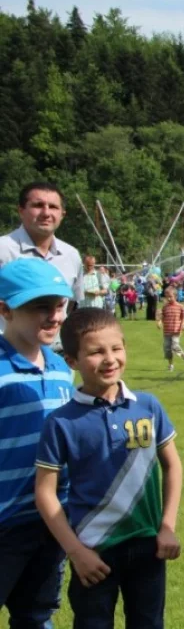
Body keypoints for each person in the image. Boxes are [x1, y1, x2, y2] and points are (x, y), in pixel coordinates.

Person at [34, 308, 183, 629]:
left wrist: (167, 526)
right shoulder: (61, 422)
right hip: (93, 551)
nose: (109, 359)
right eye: (96, 351)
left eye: (116, 348)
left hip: (148, 548)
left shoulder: (148, 406)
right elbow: (45, 493)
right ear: (71, 361)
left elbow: (172, 466)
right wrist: (75, 551)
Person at [0, 259, 75, 627]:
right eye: (39, 307)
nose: (54, 316)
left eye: (59, 305)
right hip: (4, 523)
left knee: (36, 615)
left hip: (51, 522)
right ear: (4, 309)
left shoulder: (62, 368)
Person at [0, 183, 84, 345]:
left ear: (62, 214)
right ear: (21, 210)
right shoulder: (2, 250)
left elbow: (72, 304)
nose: (46, 213)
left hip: (57, 354)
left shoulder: (71, 255)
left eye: (53, 207)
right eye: (38, 205)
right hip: (6, 355)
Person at [157, 286, 184, 371]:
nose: (168, 298)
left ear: (175, 296)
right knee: (167, 349)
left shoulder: (180, 307)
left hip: (176, 330)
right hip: (167, 331)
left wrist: (183, 324)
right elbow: (162, 316)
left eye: (170, 296)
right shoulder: (165, 307)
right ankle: (170, 364)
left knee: (175, 346)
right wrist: (159, 322)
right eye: (167, 297)